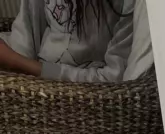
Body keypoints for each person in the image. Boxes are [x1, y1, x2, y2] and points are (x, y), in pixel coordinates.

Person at [0, 0, 152, 82]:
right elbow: (25, 33)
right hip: (32, 80)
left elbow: (113, 77)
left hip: (82, 91)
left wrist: (20, 63)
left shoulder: (128, 5)